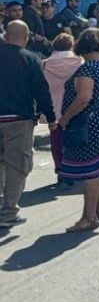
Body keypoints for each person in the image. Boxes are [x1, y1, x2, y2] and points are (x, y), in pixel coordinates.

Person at [56, 28, 99, 232]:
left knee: (90, 170)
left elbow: (84, 98)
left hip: (87, 122)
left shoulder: (88, 69)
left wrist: (65, 118)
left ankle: (88, 217)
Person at [0, 21, 55, 227]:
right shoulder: (30, 59)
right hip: (18, 121)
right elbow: (41, 91)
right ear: (24, 38)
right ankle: (8, 213)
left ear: (6, 36)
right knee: (18, 166)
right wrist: (50, 118)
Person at [41, 33, 80, 185]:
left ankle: (60, 168)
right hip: (74, 107)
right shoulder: (80, 62)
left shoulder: (44, 64)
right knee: (73, 139)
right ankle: (73, 168)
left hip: (54, 108)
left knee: (56, 140)